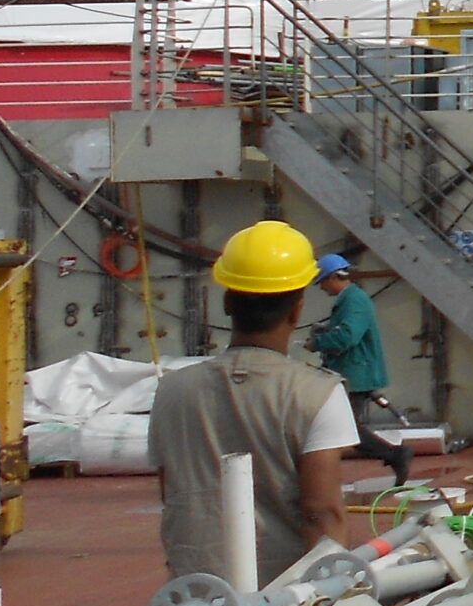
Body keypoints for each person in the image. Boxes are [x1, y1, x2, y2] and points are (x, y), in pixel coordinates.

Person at [149, 220, 353, 585]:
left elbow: (174, 493)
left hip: (195, 602)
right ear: (297, 310)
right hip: (286, 605)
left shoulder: (172, 390)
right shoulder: (318, 394)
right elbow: (322, 511)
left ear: (227, 302)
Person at [310, 253, 412, 487]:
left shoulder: (354, 300)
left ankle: (396, 455)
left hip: (355, 373)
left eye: (324, 281)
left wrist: (318, 342)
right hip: (353, 372)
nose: (323, 288)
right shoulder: (350, 299)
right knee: (347, 428)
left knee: (348, 429)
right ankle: (394, 455)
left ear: (336, 277)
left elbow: (348, 335)